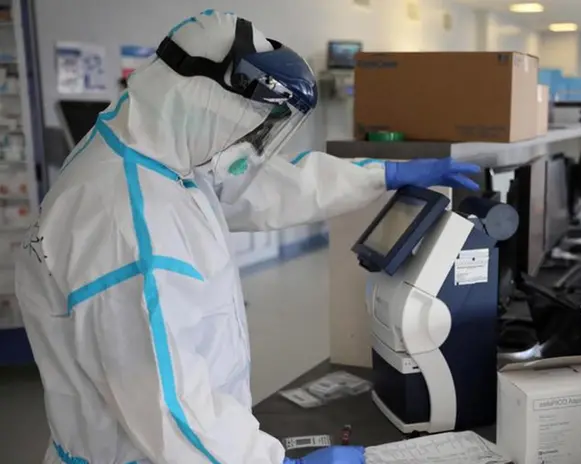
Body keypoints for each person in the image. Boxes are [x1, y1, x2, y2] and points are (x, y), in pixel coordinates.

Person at [15, 10, 479, 464]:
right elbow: (171, 410)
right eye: (250, 120)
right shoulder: (123, 222)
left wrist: (382, 172)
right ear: (204, 101)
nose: (251, 138)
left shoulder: (152, 153)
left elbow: (267, 186)